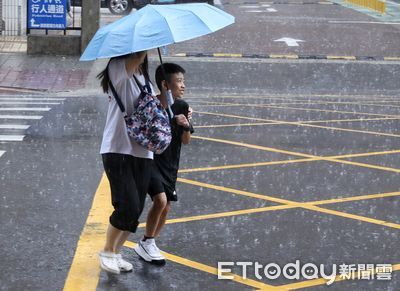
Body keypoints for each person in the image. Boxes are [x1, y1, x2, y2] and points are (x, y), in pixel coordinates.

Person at [97, 51, 154, 274]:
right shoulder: (117, 68)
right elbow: (137, 57)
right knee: (126, 204)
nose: (145, 53)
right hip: (117, 148)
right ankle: (107, 251)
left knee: (136, 208)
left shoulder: (143, 78)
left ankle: (117, 252)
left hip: (143, 151)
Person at [134, 63, 194, 264]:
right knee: (160, 200)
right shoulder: (151, 105)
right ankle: (147, 242)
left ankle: (147, 242)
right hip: (151, 160)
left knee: (166, 206)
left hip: (171, 164)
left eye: (183, 81)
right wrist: (166, 121)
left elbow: (186, 141)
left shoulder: (182, 107)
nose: (183, 85)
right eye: (178, 81)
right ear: (164, 85)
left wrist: (185, 125)